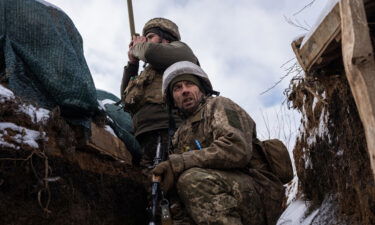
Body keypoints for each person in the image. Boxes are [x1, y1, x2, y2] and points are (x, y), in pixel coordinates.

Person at [152, 61, 285, 225]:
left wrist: (181, 162)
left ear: (201, 89)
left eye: (189, 84)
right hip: (215, 197)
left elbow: (236, 149)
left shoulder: (218, 105)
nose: (184, 90)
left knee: (192, 180)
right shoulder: (179, 135)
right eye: (177, 88)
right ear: (173, 99)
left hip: (259, 192)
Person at [120, 18, 198, 167]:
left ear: (166, 39)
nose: (146, 41)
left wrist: (139, 47)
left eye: (150, 37)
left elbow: (150, 52)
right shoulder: (147, 72)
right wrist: (132, 64)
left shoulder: (181, 52)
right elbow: (126, 99)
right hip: (142, 136)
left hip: (169, 132)